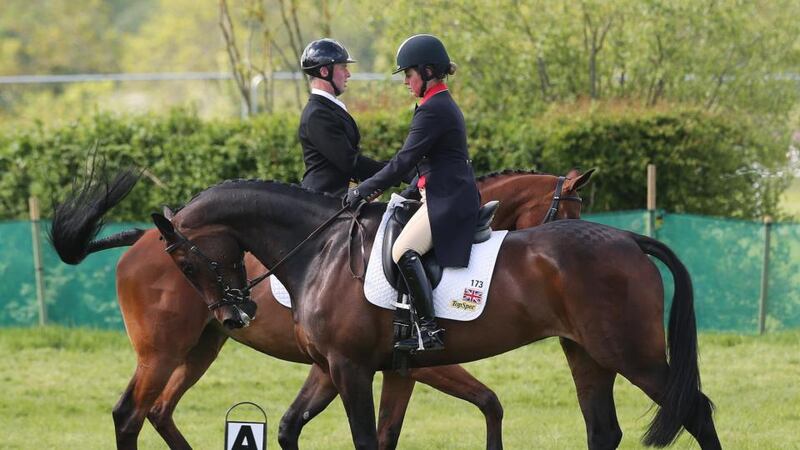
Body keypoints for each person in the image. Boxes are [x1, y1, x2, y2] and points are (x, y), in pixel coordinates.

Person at [345, 34, 480, 352]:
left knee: (402, 251)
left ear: (427, 71)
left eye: (408, 74)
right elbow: (423, 166)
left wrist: (364, 191)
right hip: (441, 191)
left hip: (448, 199)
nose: (406, 81)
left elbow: (403, 160)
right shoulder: (436, 105)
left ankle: (428, 330)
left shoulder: (434, 110)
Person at [298, 38, 386, 197]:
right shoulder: (318, 114)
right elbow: (350, 162)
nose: (348, 74)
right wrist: (396, 172)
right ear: (324, 71)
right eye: (343, 67)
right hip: (322, 202)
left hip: (338, 198)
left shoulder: (329, 107)